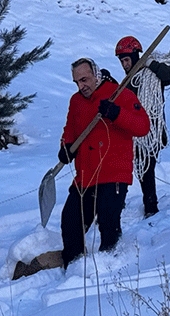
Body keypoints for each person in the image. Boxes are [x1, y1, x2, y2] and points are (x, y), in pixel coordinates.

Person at [58, 58, 149, 269]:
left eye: (85, 79)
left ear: (96, 74)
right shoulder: (76, 101)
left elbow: (142, 126)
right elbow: (70, 129)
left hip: (113, 173)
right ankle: (74, 268)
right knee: (71, 222)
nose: (82, 86)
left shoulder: (120, 94)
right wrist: (66, 147)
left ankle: (110, 266)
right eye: (77, 82)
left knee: (108, 221)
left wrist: (116, 113)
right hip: (85, 176)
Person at [115, 36, 170, 218]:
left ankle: (151, 207)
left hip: (152, 132)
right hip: (132, 131)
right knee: (124, 167)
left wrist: (151, 64)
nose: (124, 65)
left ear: (136, 56)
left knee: (146, 169)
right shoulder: (128, 82)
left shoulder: (152, 75)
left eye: (127, 60)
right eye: (122, 62)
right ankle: (118, 205)